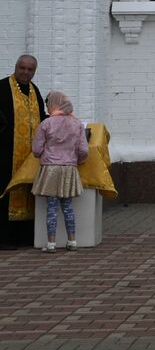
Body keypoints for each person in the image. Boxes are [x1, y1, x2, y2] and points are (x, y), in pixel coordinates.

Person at [31, 91, 87, 252]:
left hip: (50, 169)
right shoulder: (77, 124)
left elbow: (36, 149)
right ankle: (72, 241)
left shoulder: (46, 124)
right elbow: (83, 150)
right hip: (69, 168)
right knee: (68, 206)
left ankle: (51, 244)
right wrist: (76, 160)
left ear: (52, 104)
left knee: (51, 207)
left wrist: (43, 155)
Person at [1, 54, 46, 250]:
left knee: (29, 194)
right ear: (16, 67)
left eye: (30, 69)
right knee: (6, 193)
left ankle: (25, 237)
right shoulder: (2, 88)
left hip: (30, 156)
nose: (25, 72)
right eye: (22, 68)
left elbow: (41, 118)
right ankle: (5, 239)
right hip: (5, 154)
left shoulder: (34, 91)